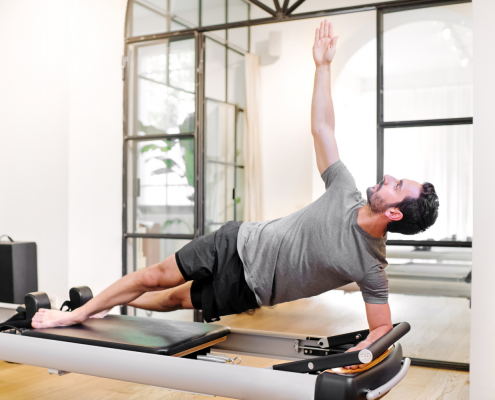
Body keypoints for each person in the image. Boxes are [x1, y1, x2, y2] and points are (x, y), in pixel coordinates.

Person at [32, 20, 439, 368]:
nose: (388, 178)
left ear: (396, 215)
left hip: (251, 289)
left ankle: (108, 304)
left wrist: (356, 359)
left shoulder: (371, 266)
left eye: (397, 186)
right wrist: (323, 66)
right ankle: (80, 313)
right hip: (238, 241)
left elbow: (381, 326)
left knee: (174, 299)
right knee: (156, 275)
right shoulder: (345, 190)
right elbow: (323, 129)